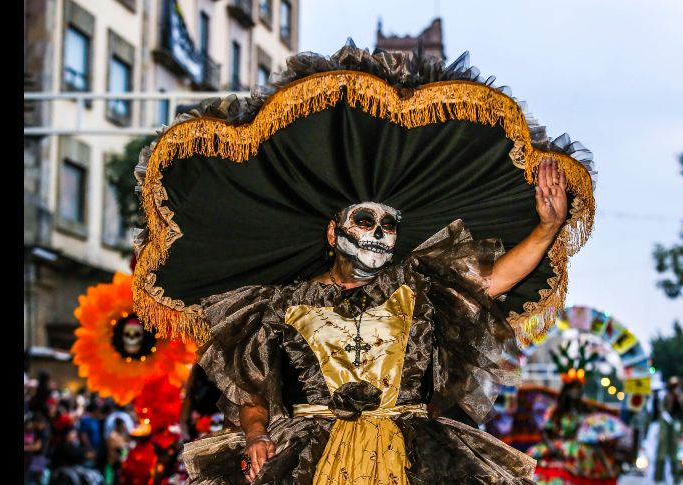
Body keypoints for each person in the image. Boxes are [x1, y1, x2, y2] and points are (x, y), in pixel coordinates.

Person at [133, 42, 596, 484]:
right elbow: (252, 389)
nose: (379, 232)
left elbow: (493, 281)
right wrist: (256, 436)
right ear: (334, 232)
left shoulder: (419, 290)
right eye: (365, 219)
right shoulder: (279, 305)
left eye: (389, 224)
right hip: (310, 458)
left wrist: (546, 228)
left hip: (411, 455)